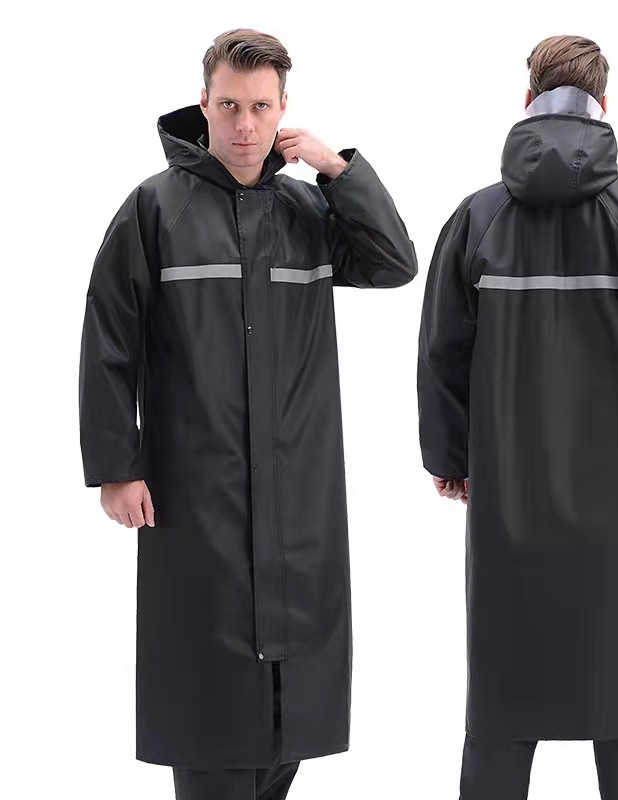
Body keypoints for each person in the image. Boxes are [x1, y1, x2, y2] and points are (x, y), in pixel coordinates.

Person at [78, 27, 417, 800]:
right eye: (229, 105)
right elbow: (108, 341)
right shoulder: (155, 209)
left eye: (261, 107)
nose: (244, 124)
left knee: (288, 716)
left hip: (298, 492)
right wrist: (115, 468)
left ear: (283, 109)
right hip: (198, 488)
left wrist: (338, 170)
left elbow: (394, 262)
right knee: (208, 706)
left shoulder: (307, 209)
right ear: (204, 103)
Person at [417, 34, 618, 800]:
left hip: (507, 504)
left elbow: (441, 352)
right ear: (603, 105)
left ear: (528, 101)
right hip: (616, 509)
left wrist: (449, 457)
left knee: (502, 703)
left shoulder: (476, 220)